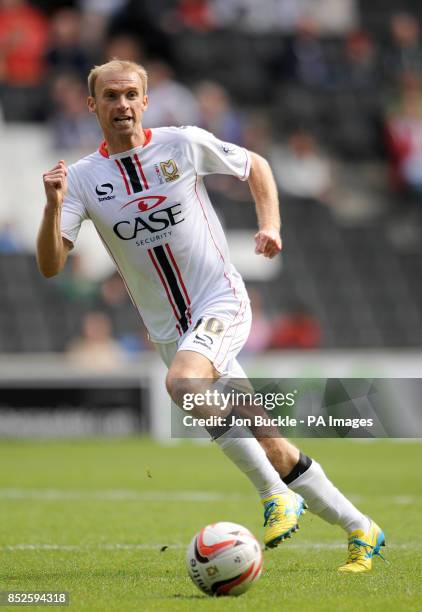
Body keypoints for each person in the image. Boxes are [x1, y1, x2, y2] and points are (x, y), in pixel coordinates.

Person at [36, 59, 385, 572]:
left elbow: (257, 166)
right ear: (92, 105)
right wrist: (51, 205)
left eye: (131, 94)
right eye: (110, 96)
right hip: (169, 332)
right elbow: (50, 264)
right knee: (273, 444)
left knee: (183, 384)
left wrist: (271, 226)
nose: (122, 105)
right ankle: (363, 529)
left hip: (220, 303)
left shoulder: (180, 143)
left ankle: (274, 496)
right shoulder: (85, 179)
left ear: (146, 101)